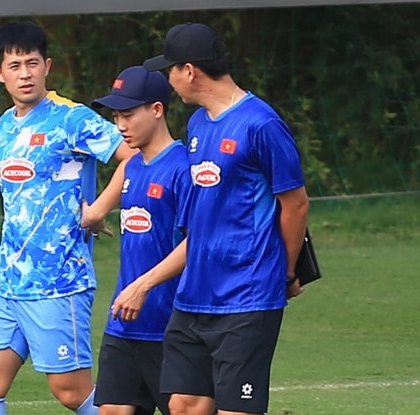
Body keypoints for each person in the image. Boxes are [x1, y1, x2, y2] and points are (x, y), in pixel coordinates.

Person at [111, 22, 310, 415]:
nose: (168, 81)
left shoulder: (261, 124)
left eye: (170, 69)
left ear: (189, 71)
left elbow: (296, 204)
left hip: (246, 295)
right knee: (184, 404)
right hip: (194, 294)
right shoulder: (198, 124)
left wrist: (285, 273)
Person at [0, 21, 137, 415]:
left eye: (32, 63)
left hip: (58, 279)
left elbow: (136, 157)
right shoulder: (4, 124)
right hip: (7, 278)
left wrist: (99, 208)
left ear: (47, 66)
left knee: (71, 392)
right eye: (15, 66)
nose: (24, 74)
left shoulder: (71, 119)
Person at [82, 65, 193, 415]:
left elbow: (197, 243)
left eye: (128, 115)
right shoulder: (130, 168)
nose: (120, 125)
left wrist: (142, 287)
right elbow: (95, 212)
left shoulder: (183, 169)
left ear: (157, 110)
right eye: (116, 116)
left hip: (170, 328)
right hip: (124, 324)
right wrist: (91, 215)